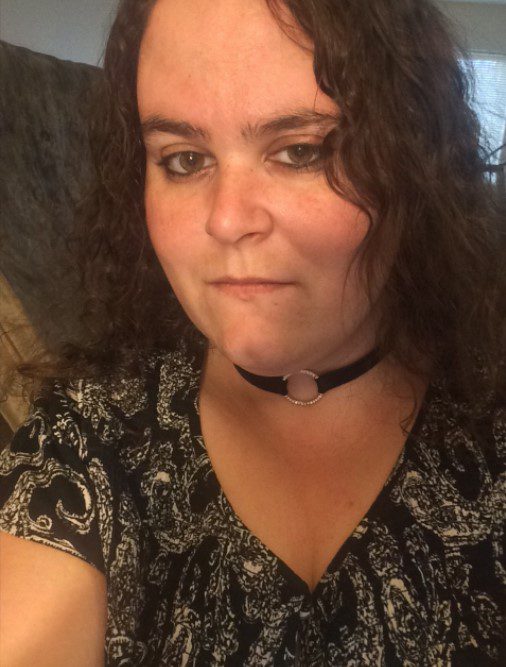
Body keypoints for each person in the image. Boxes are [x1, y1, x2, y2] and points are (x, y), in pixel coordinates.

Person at [0, 0, 504, 664]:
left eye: (301, 151)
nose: (227, 220)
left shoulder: (489, 415)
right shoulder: (87, 438)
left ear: (413, 165)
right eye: (184, 160)